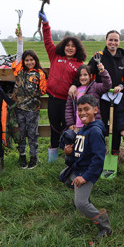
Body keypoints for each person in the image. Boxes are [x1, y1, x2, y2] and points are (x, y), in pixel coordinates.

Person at [69, 30, 124, 156]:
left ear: (119, 42)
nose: (113, 43)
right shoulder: (99, 57)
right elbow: (86, 72)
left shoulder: (123, 61)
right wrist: (75, 84)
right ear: (106, 41)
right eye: (110, 40)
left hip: (117, 99)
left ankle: (114, 152)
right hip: (101, 98)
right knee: (101, 125)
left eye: (115, 40)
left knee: (116, 126)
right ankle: (98, 151)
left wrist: (121, 86)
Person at [38, 11, 87, 161]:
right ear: (63, 47)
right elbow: (47, 41)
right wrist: (45, 24)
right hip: (52, 98)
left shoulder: (79, 64)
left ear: (77, 49)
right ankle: (52, 158)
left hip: (67, 101)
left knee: (69, 129)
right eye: (67, 45)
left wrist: (73, 84)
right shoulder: (55, 56)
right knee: (54, 127)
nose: (70, 48)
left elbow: (82, 80)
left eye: (73, 46)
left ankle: (69, 155)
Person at [63, 94, 112, 239]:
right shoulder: (84, 129)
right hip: (78, 168)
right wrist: (68, 153)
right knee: (65, 178)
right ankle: (85, 198)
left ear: (95, 110)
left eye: (86, 109)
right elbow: (78, 153)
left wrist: (84, 177)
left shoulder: (95, 131)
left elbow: (98, 160)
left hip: (87, 172)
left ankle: (105, 226)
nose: (82, 113)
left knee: (80, 203)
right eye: (79, 110)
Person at [11, 27, 47, 169]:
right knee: (21, 134)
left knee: (33, 134)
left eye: (31, 60)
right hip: (19, 109)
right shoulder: (19, 70)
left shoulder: (40, 74)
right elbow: (19, 54)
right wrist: (20, 39)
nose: (29, 62)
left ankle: (33, 157)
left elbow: (43, 90)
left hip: (33, 110)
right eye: (27, 60)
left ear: (35, 60)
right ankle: (22, 156)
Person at [65, 63, 111, 133]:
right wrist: (70, 123)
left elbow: (107, 85)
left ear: (90, 76)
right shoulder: (73, 90)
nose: (83, 77)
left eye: (85, 75)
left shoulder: (95, 87)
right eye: (80, 75)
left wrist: (103, 71)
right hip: (78, 126)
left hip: (92, 125)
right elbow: (69, 108)